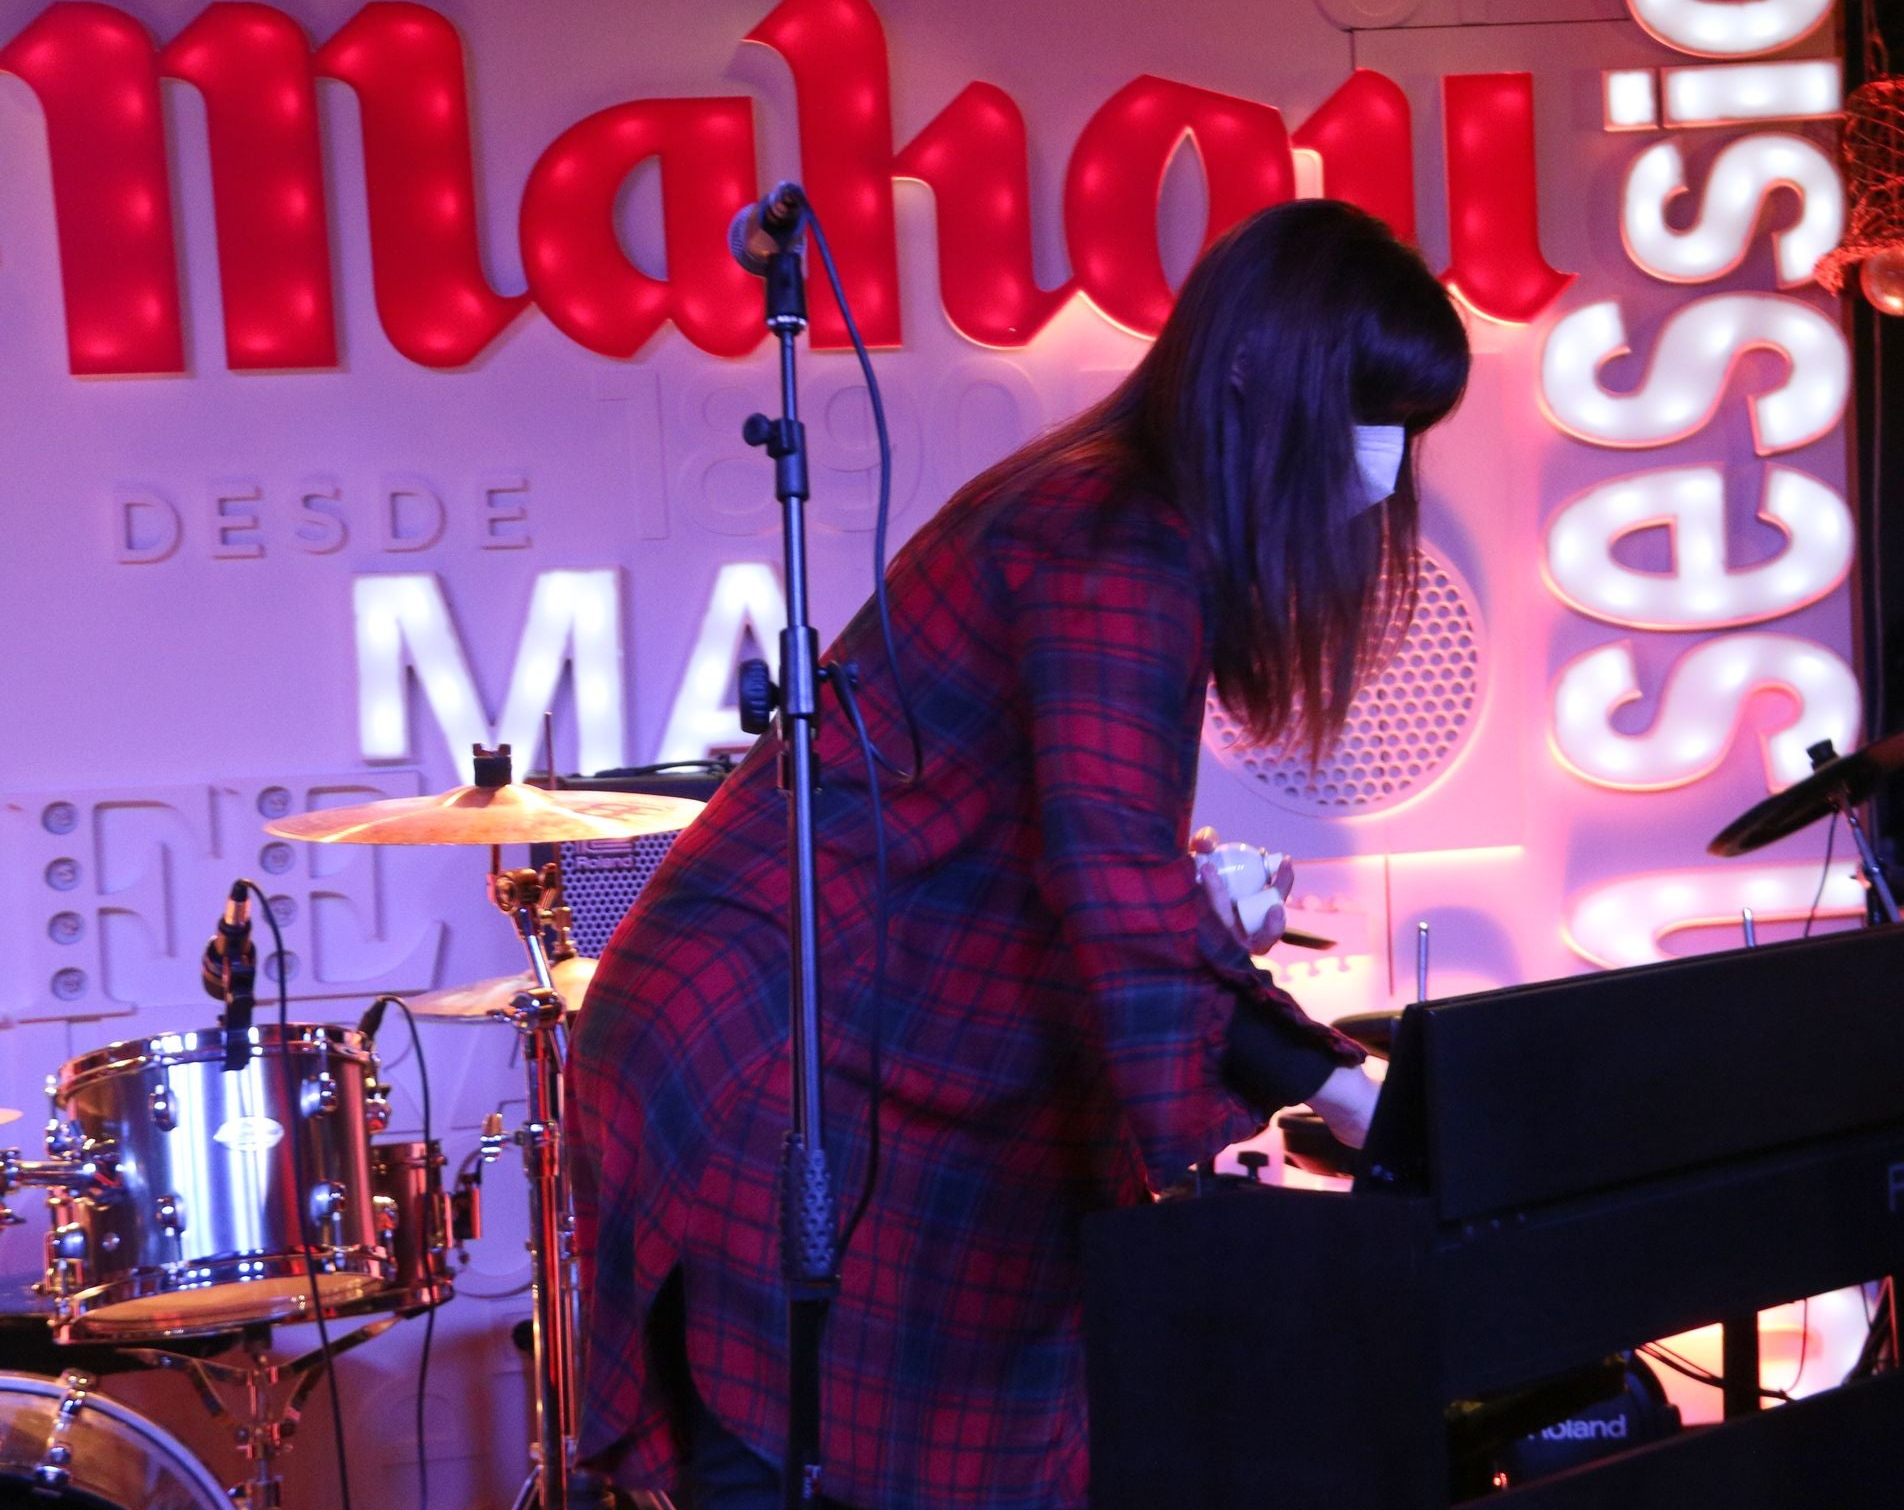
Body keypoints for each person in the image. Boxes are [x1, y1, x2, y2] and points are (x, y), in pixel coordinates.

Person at [568, 198, 1471, 1510]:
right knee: (809, 1443)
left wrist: (1330, 1085)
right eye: (1365, 416)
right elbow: (1116, 893)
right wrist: (1274, 1134)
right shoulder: (1112, 541)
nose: (1384, 466)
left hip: (868, 1045)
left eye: (1407, 426)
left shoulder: (1127, 520)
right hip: (774, 1058)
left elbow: (1108, 892)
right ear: (1253, 381)